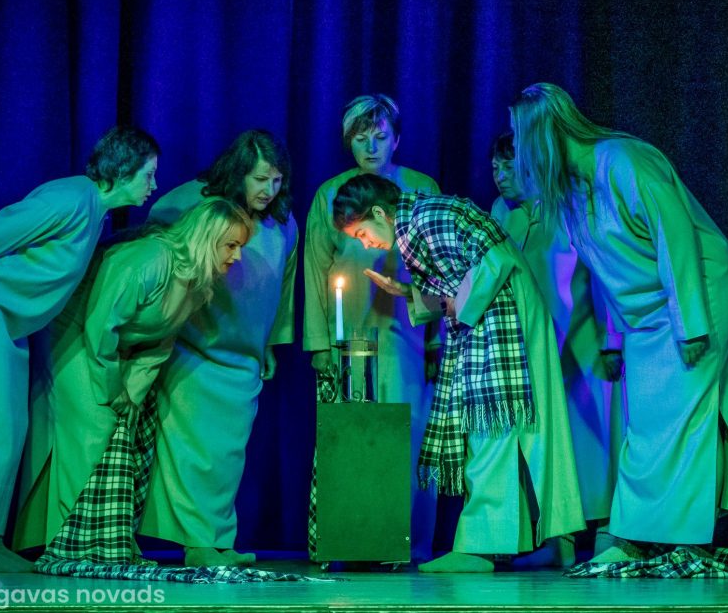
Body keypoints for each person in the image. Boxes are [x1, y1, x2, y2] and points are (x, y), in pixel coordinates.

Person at [509, 83, 728, 563]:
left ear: (539, 133)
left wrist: (691, 323)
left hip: (695, 292)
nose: (516, 148)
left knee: (680, 418)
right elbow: (604, 272)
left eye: (518, 135)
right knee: (648, 422)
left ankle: (656, 537)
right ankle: (639, 535)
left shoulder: (622, 160)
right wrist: (615, 338)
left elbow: (676, 236)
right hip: (646, 314)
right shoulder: (569, 192)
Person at [0, 125, 161, 572]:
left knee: (9, 422)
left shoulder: (94, 213)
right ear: (123, 170)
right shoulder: (72, 196)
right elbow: (3, 226)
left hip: (6, 318)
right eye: (148, 174)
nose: (153, 185)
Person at [333, 174, 584, 573]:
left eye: (363, 233)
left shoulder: (427, 217)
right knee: (520, 430)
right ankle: (554, 543)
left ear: (379, 213)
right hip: (494, 314)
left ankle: (481, 547)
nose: (366, 244)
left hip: (503, 319)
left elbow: (495, 259)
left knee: (491, 427)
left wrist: (456, 303)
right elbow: (461, 290)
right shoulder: (418, 225)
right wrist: (407, 292)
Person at [14, 197, 252, 553]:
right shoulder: (152, 258)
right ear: (207, 238)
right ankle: (76, 541)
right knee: (94, 426)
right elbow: (101, 325)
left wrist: (132, 394)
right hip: (76, 331)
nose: (238, 256)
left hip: (112, 347)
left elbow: (159, 346)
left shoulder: (198, 285)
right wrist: (113, 389)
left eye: (240, 246)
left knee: (124, 431)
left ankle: (104, 537)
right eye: (231, 245)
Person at [138, 130, 299, 568]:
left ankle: (217, 538)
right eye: (260, 179)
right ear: (238, 172)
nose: (269, 190)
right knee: (194, 451)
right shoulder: (193, 202)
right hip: (195, 348)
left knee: (227, 457)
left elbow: (283, 288)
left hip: (243, 355)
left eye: (277, 180)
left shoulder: (283, 222)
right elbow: (156, 249)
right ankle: (198, 542)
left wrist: (271, 343)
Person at [302, 94, 439, 561]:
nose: (371, 147)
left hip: (406, 336)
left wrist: (436, 342)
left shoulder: (420, 187)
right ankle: (354, 539)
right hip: (348, 338)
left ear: (396, 139)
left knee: (409, 434)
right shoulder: (331, 194)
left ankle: (408, 543)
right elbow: (316, 270)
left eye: (380, 137)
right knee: (351, 435)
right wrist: (320, 345)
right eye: (361, 139)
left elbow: (440, 270)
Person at [489, 132, 622, 566]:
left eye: (510, 166)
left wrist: (612, 340)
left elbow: (604, 274)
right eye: (495, 167)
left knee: (593, 444)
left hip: (581, 345)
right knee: (544, 445)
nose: (500, 175)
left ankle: (608, 535)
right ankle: (557, 541)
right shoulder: (501, 214)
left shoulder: (570, 206)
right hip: (529, 350)